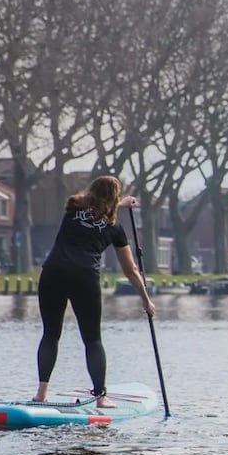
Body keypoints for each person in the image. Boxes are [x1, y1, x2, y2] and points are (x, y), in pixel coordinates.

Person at [31, 175, 156, 408]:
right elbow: (130, 270)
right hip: (84, 279)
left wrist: (119, 203)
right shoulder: (115, 228)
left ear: (91, 193)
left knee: (50, 334)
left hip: (53, 274)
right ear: (115, 198)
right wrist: (146, 300)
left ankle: (41, 393)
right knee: (92, 339)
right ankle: (101, 397)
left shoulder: (72, 209)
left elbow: (93, 205)